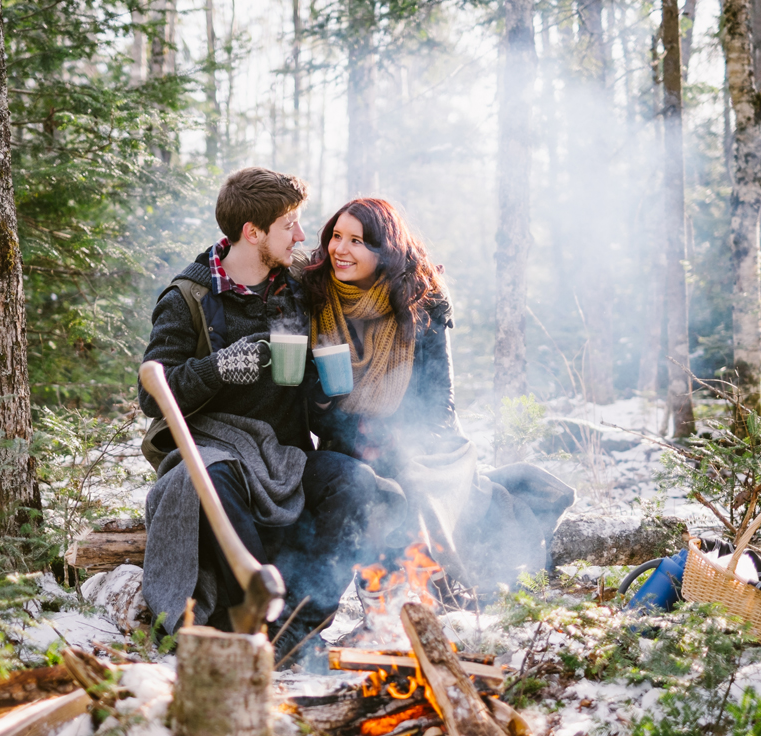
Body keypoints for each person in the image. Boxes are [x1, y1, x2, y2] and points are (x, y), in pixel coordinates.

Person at [138, 169, 398, 662]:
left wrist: (327, 393)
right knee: (206, 481)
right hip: (216, 449)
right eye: (289, 225)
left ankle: (297, 629)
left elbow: (377, 277)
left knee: (358, 484)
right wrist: (219, 367)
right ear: (252, 232)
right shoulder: (190, 297)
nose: (301, 236)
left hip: (288, 456)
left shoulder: (301, 287)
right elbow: (155, 395)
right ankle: (252, 620)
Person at [300, 198, 575, 595]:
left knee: (410, 482)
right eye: (336, 236)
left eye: (356, 241)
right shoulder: (316, 298)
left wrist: (409, 446)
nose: (340, 249)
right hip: (347, 441)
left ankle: (419, 600)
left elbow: (439, 399)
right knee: (371, 486)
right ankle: (386, 607)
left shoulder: (420, 301)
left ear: (384, 250)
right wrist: (340, 415)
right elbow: (312, 408)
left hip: (425, 440)